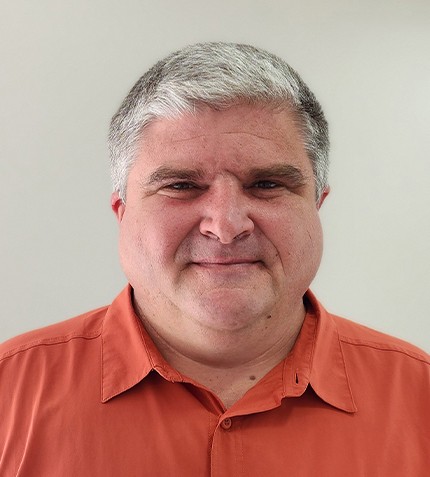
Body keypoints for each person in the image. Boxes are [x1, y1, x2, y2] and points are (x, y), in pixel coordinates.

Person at [1, 42, 428, 476]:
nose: (226, 226)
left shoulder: (421, 398)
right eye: (181, 186)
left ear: (316, 205)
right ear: (121, 212)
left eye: (267, 184)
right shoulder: (8, 393)